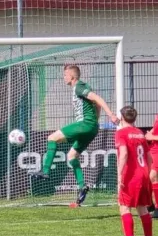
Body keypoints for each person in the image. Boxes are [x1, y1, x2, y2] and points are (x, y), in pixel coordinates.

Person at [30, 64, 119, 206]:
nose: (63, 77)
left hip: (85, 124)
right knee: (71, 156)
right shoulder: (79, 88)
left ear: (72, 76)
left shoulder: (79, 87)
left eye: (65, 75)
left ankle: (45, 171)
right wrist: (95, 121)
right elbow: (96, 105)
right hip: (92, 127)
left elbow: (98, 99)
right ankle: (82, 186)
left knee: (51, 138)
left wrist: (111, 115)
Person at [115, 106, 153, 236]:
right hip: (143, 174)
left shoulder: (121, 133)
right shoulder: (140, 133)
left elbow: (123, 154)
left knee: (124, 206)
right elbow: (149, 157)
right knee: (142, 207)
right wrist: (148, 173)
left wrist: (120, 174)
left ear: (122, 118)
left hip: (131, 175)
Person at [144, 114, 158, 218]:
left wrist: (152, 136)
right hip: (152, 150)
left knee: (153, 177)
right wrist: (149, 134)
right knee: (149, 177)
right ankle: (151, 205)